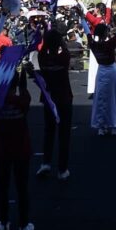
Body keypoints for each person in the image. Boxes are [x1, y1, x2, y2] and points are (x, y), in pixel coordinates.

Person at [0, 66, 34, 230]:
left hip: (2, 149)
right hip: (21, 148)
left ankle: (4, 222)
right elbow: (24, 90)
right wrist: (23, 75)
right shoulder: (22, 100)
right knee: (22, 187)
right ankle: (23, 225)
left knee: (2, 186)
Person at [84, 21, 116, 136]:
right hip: (111, 72)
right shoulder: (110, 43)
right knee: (114, 97)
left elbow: (87, 32)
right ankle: (114, 125)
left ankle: (102, 126)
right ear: (105, 33)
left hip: (101, 72)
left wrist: (82, 18)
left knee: (101, 98)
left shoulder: (93, 44)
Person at [36, 29, 73, 180]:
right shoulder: (64, 57)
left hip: (49, 98)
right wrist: (60, 41)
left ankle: (46, 163)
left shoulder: (42, 57)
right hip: (64, 98)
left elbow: (43, 51)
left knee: (49, 131)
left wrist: (47, 41)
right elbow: (66, 51)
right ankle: (62, 169)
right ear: (59, 42)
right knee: (64, 134)